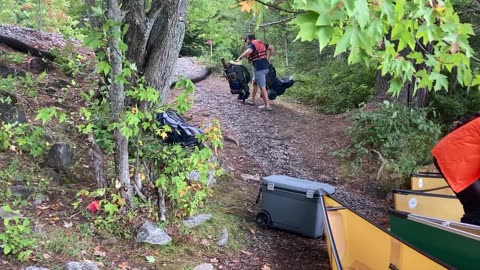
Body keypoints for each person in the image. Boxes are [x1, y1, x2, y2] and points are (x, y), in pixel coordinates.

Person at [431, 112, 480, 225]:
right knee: (477, 208)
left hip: (462, 157)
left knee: (474, 207)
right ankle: (467, 237)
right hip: (455, 158)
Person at [236, 34, 275, 111]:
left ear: (248, 39)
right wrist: (268, 58)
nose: (246, 42)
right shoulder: (260, 43)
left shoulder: (252, 44)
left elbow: (248, 52)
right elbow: (272, 48)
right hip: (265, 66)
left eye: (246, 40)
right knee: (255, 82)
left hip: (259, 68)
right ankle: (253, 99)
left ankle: (267, 105)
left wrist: (240, 58)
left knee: (262, 87)